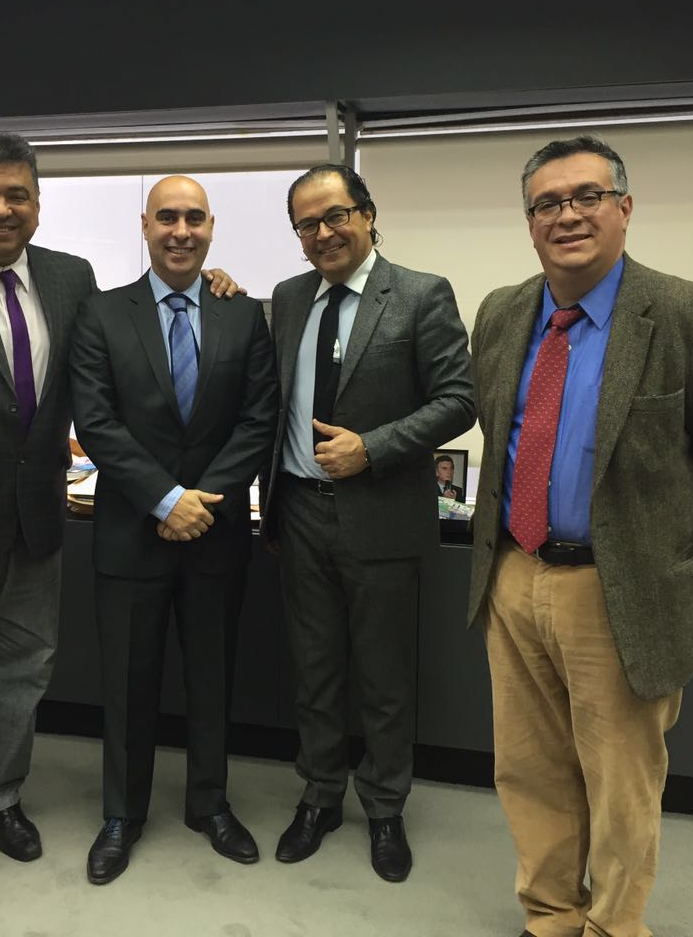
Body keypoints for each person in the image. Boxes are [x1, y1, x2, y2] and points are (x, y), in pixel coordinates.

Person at [0, 135, 241, 918]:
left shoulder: (71, 279)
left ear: (37, 203)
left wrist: (211, 286)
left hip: (37, 523)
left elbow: (121, 348)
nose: (2, 209)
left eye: (17, 195)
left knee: (22, 673)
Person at [467, 134, 693, 937]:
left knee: (620, 782)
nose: (567, 215)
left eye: (587, 196)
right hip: (514, 573)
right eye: (547, 203)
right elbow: (503, 435)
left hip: (620, 588)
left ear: (625, 207)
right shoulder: (501, 313)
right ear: (529, 221)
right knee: (529, 770)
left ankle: (612, 926)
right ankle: (550, 914)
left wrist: (667, 548)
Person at [260, 163, 475, 882]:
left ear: (368, 214)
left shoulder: (419, 294)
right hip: (298, 510)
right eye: (306, 224)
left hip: (380, 514)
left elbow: (458, 399)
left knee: (383, 677)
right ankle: (320, 795)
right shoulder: (290, 297)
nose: (322, 233)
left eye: (335, 216)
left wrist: (372, 448)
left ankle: (385, 807)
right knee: (314, 669)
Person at [70, 175, 277, 884]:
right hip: (131, 533)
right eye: (167, 217)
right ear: (145, 225)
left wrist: (201, 503)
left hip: (216, 533)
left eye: (194, 218)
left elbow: (259, 417)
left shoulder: (243, 315)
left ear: (211, 227)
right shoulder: (101, 315)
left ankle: (209, 804)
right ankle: (122, 814)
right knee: (128, 683)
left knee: (212, 677)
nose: (180, 231)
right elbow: (96, 422)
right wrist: (165, 500)